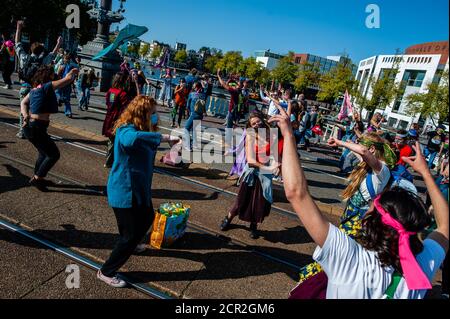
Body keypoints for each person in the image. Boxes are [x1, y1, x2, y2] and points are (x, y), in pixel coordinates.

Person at [270, 104, 448, 299]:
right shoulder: (423, 265)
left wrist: (288, 134)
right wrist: (425, 173)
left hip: (354, 234)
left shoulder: (350, 258)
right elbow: (446, 225)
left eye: (374, 204)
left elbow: (297, 192)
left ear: (371, 218)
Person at [296, 132, 397, 291]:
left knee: (335, 252)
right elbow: (361, 152)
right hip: (351, 215)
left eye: (362, 144)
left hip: (360, 222)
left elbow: (363, 152)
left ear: (371, 149)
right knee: (337, 252)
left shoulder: (382, 171)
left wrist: (340, 142)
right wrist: (344, 143)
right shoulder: (369, 164)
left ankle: (316, 283)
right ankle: (324, 284)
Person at [97, 95, 181, 288]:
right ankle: (106, 271)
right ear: (142, 114)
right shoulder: (127, 129)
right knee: (129, 234)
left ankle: (130, 246)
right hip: (124, 189)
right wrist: (164, 137)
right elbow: (130, 140)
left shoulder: (143, 130)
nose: (155, 116)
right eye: (152, 113)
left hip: (139, 189)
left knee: (145, 218)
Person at [220, 111, 281, 239]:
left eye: (258, 121)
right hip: (252, 172)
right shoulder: (250, 135)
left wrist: (277, 165)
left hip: (265, 173)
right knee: (241, 200)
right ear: (250, 125)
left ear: (262, 120)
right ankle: (229, 217)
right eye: (253, 123)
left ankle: (253, 226)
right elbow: (251, 161)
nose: (256, 124)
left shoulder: (272, 134)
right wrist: (269, 167)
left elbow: (276, 155)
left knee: (260, 202)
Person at [20, 65, 79, 191]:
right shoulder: (47, 86)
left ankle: (38, 177)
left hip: (31, 126)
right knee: (53, 155)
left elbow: (23, 102)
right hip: (36, 127)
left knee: (43, 153)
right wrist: (72, 72)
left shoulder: (35, 89)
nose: (54, 76)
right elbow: (67, 80)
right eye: (52, 75)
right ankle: (37, 179)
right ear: (48, 76)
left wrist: (25, 115)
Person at [14, 20, 62, 138]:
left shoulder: (25, 58)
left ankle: (22, 131)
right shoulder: (44, 60)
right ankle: (39, 131)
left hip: (25, 87)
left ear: (31, 50)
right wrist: (58, 43)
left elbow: (17, 43)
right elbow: (54, 53)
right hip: (37, 90)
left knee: (23, 109)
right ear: (41, 51)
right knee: (37, 112)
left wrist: (19, 29)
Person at [102, 72, 135, 168]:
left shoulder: (111, 91)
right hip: (118, 119)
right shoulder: (123, 94)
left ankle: (109, 159)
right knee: (117, 141)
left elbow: (109, 103)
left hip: (109, 117)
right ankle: (111, 161)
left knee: (111, 140)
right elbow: (128, 107)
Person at [184, 82, 206, 151]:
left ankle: (188, 146)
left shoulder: (192, 94)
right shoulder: (203, 95)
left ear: (196, 87)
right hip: (200, 115)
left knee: (186, 128)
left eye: (194, 86)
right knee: (194, 129)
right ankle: (195, 145)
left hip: (193, 114)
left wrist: (188, 112)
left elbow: (187, 105)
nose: (193, 87)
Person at [56, 53, 79, 118]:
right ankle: (68, 111)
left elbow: (58, 74)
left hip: (63, 83)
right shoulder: (70, 66)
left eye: (65, 59)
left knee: (60, 95)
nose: (65, 60)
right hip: (66, 83)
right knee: (64, 97)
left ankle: (60, 101)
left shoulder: (65, 66)